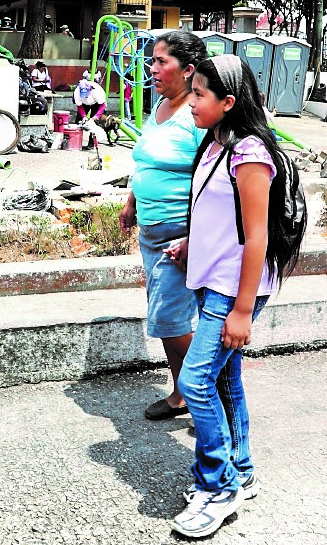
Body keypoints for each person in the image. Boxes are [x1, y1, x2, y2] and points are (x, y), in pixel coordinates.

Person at [165, 54, 304, 538]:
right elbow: (214, 212)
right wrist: (190, 242)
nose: (191, 101)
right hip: (214, 281)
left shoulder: (251, 154)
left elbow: (257, 238)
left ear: (228, 101)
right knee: (224, 382)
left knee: (197, 382)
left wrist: (243, 310)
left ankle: (220, 487)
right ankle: (240, 468)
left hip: (233, 291)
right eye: (191, 90)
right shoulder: (217, 144)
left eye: (200, 94)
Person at [118, 31, 207, 420]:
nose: (151, 69)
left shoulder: (198, 115)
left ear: (188, 70)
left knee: (169, 319)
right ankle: (182, 392)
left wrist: (194, 236)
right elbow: (146, 162)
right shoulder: (160, 107)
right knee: (168, 316)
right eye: (151, 61)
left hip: (180, 232)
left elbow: (216, 178)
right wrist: (132, 201)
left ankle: (209, 396)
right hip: (152, 231)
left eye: (160, 62)